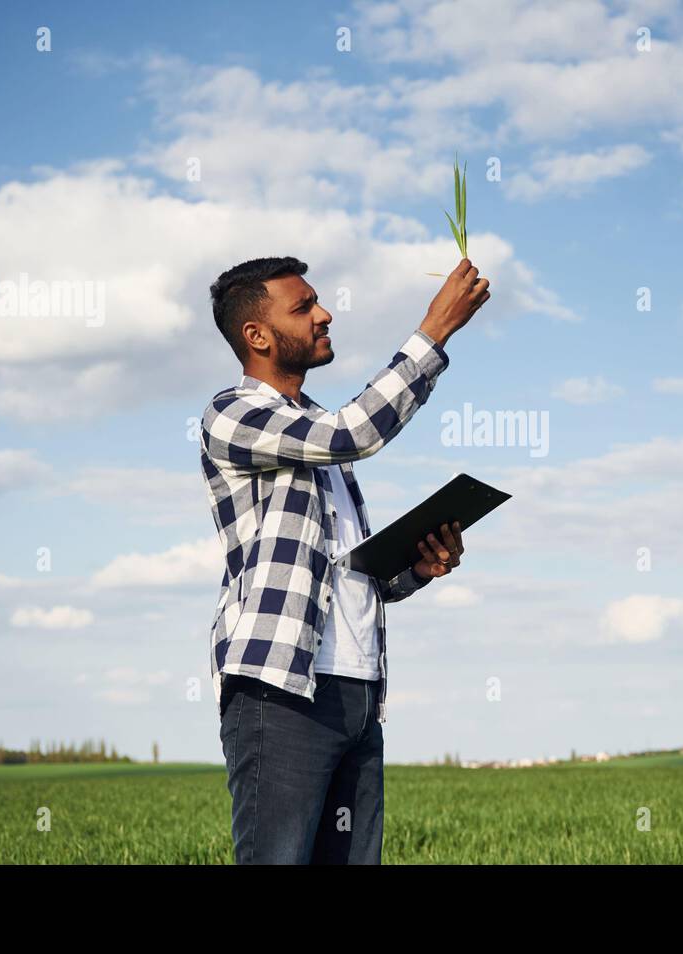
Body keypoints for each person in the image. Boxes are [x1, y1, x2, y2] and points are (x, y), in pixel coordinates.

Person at [200, 255, 490, 863]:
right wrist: (432, 333)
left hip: (358, 695)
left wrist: (415, 569)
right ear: (256, 335)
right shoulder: (234, 414)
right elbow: (351, 434)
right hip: (281, 690)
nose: (323, 313)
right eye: (303, 307)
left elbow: (346, 577)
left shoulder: (314, 429)